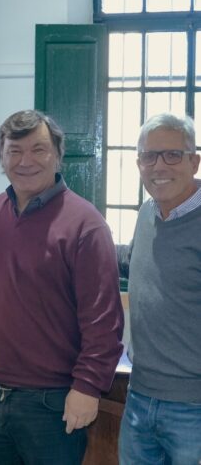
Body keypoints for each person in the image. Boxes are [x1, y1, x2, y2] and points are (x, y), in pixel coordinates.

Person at [0, 110, 124, 464]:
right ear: (2, 159)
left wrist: (88, 387)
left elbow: (104, 321)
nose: (26, 161)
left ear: (58, 155)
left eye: (38, 149)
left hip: (51, 406)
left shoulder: (86, 225)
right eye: (14, 151)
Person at [117, 113, 201, 465]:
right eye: (149, 156)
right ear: (139, 164)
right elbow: (133, 259)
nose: (159, 166)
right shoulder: (147, 212)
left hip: (193, 407)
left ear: (194, 161)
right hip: (139, 396)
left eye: (172, 155)